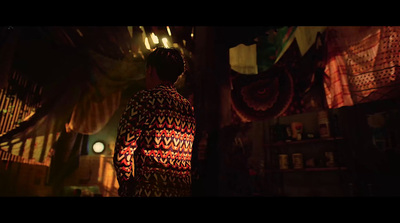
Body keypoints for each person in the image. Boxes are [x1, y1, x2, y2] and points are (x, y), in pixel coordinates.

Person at [113, 47, 196, 197]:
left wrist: (126, 186)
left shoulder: (143, 100)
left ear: (150, 70)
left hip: (148, 191)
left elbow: (123, 151)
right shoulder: (187, 107)